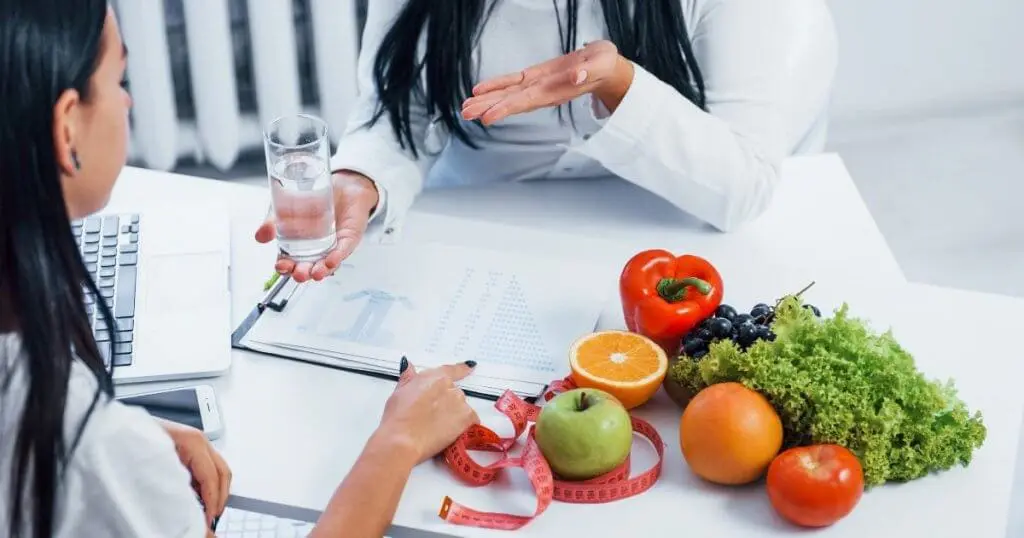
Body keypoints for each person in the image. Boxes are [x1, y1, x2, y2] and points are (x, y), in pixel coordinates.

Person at [0, 2, 480, 537]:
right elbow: (89, 457)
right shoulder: (95, 448)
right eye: (120, 79)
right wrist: (397, 443)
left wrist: (133, 441)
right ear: (67, 127)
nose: (129, 100)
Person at [257, 0, 838, 283]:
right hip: (491, 219)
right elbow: (403, 105)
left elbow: (742, 186)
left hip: (673, 221)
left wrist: (619, 86)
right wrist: (361, 177)